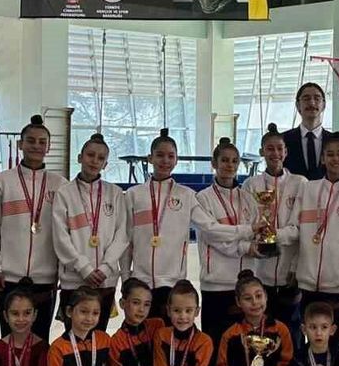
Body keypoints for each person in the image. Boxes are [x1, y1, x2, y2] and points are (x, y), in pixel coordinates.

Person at [124, 130, 254, 317]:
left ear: (177, 160)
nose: (165, 160)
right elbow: (126, 239)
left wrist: (248, 230)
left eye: (171, 156)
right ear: (150, 158)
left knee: (169, 333)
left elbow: (210, 228)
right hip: (139, 283)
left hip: (172, 283)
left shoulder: (187, 196)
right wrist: (126, 277)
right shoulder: (133, 195)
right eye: (160, 155)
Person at [0, 114, 64, 338]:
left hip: (45, 277)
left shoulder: (60, 185)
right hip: (8, 276)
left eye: (42, 142)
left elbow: (65, 233)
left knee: (40, 339)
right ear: (20, 144)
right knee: (9, 338)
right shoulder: (2, 181)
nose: (36, 146)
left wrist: (63, 272)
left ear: (48, 147)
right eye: (30, 141)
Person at [53, 133, 128, 331]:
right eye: (90, 155)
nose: (94, 161)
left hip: (105, 280)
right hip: (74, 280)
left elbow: (122, 235)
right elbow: (60, 237)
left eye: (100, 158)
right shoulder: (64, 193)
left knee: (98, 336)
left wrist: (106, 268)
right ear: (80, 157)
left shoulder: (115, 193)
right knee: (74, 336)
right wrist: (84, 268)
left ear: (105, 164)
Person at [292, 134, 339, 332]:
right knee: (308, 337)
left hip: (337, 283)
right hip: (306, 282)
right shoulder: (308, 189)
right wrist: (293, 267)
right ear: (322, 159)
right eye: (330, 154)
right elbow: (296, 231)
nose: (335, 159)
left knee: (333, 338)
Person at [244, 123, 308, 335]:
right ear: (262, 151)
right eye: (270, 149)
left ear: (286, 151)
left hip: (289, 274)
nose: (275, 153)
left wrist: (296, 266)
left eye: (279, 148)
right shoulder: (251, 185)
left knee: (291, 333)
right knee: (262, 333)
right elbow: (248, 226)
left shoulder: (300, 183)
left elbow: (301, 229)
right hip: (260, 273)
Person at [197, 137, 259, 344]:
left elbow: (256, 233)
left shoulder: (248, 199)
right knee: (215, 344)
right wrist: (245, 246)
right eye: (224, 160)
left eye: (234, 161)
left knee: (244, 347)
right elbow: (213, 235)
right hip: (216, 285)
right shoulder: (203, 198)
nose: (229, 165)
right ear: (214, 163)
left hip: (245, 285)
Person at [281, 82, 339, 181]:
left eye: (317, 99)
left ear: (324, 105)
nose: (312, 103)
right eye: (306, 99)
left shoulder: (338, 142)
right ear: (297, 105)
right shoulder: (284, 140)